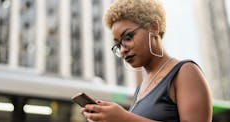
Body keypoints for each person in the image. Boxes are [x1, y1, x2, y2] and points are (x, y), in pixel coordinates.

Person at [81, 0, 212, 121]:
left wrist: (124, 118)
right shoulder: (140, 88)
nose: (122, 50)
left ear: (154, 27)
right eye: (118, 45)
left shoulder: (185, 72)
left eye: (128, 37)